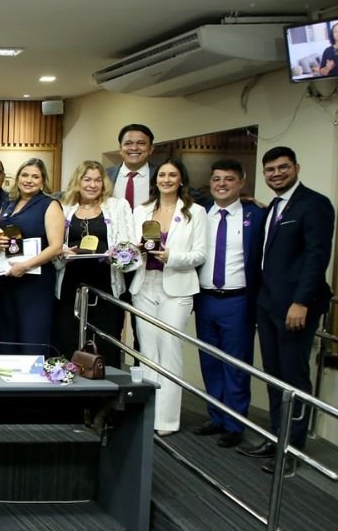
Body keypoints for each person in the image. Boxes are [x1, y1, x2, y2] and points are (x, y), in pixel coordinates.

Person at [245, 146, 334, 467]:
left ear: (296, 167)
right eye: (270, 170)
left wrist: (301, 301)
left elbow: (316, 257)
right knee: (274, 375)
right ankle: (276, 437)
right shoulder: (272, 208)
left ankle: (292, 449)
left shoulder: (315, 205)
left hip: (296, 307)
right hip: (268, 304)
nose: (276, 174)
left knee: (294, 377)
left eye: (283, 168)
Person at [130, 158, 206, 436]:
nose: (166, 179)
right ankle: (148, 415)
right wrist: (136, 250)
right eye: (162, 174)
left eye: (172, 175)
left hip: (177, 287)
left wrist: (171, 257)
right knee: (148, 354)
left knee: (170, 351)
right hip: (144, 285)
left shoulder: (195, 212)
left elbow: (200, 254)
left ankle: (167, 420)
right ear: (156, 179)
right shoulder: (141, 210)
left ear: (181, 179)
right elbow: (127, 247)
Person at [193, 160, 263, 449]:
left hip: (238, 300)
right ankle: (216, 417)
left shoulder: (255, 215)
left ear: (242, 183)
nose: (222, 184)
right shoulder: (198, 213)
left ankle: (235, 424)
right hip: (206, 298)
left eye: (229, 179)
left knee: (235, 365)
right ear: (210, 183)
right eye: (217, 179)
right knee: (209, 362)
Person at [52, 160, 134, 367]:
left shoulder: (118, 206)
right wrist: (61, 251)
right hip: (70, 286)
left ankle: (105, 396)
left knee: (105, 345)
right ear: (77, 182)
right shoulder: (64, 207)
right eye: (87, 179)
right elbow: (53, 244)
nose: (92, 185)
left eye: (98, 180)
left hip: (105, 285)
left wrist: (116, 255)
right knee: (69, 342)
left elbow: (129, 245)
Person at [0, 159, 64, 355]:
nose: (29, 180)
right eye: (25, 175)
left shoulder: (50, 205)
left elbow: (56, 246)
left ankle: (34, 384)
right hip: (6, 280)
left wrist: (25, 266)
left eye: (35, 176)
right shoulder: (7, 205)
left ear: (43, 181)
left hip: (34, 282)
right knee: (6, 336)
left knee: (32, 335)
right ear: (17, 178)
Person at [107, 124, 155, 210]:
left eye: (141, 143)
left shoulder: (161, 175)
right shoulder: (105, 175)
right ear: (120, 149)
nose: (134, 148)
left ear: (150, 149)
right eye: (128, 143)